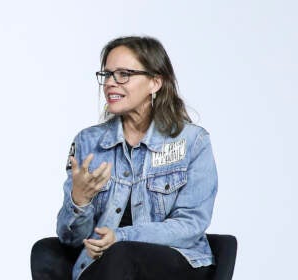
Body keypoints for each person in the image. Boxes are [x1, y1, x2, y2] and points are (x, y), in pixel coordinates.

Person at [31, 36, 218, 280]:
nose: (110, 83)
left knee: (121, 254)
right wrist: (79, 201)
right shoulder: (88, 142)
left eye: (123, 74)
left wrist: (120, 237)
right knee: (45, 251)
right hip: (110, 260)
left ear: (155, 82)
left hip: (175, 258)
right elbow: (72, 239)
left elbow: (190, 225)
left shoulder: (192, 141)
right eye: (107, 75)